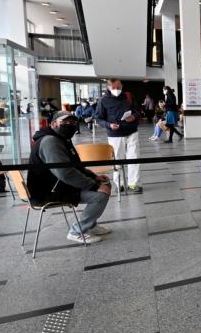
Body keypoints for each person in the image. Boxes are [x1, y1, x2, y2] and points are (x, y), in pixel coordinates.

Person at [28, 112, 112, 244]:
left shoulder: (62, 139)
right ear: (53, 123)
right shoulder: (50, 141)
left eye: (72, 122)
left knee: (105, 183)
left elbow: (76, 167)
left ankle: (90, 224)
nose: (69, 125)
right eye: (65, 122)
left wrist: (94, 177)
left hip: (58, 185)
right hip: (49, 192)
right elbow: (65, 173)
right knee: (100, 195)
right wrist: (94, 186)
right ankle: (77, 231)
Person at [94, 79, 143, 193]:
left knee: (134, 158)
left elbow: (137, 110)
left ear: (122, 86)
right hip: (115, 135)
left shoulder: (128, 96)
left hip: (132, 132)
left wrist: (134, 116)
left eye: (119, 87)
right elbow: (98, 118)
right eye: (114, 88)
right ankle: (119, 184)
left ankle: (133, 184)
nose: (117, 90)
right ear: (108, 88)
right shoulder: (103, 100)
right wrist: (109, 125)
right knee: (117, 160)